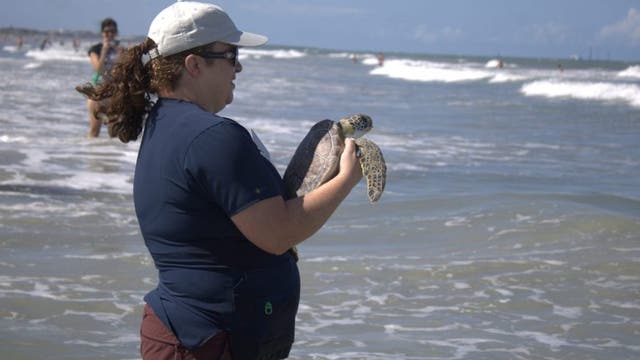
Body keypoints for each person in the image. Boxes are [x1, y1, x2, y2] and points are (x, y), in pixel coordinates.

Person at [88, 2, 363, 359]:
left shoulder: (165, 122)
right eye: (230, 55)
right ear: (194, 64)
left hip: (189, 331)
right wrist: (346, 179)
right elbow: (278, 234)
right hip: (205, 340)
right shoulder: (213, 136)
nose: (239, 66)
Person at [85, 18, 124, 137]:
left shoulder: (120, 50)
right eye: (107, 32)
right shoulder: (95, 49)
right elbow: (99, 69)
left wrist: (120, 56)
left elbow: (123, 72)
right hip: (98, 93)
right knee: (94, 130)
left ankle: (109, 154)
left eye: (112, 31)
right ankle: (90, 154)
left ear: (116, 33)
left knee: (114, 133)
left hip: (114, 93)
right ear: (102, 33)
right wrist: (104, 51)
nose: (110, 35)